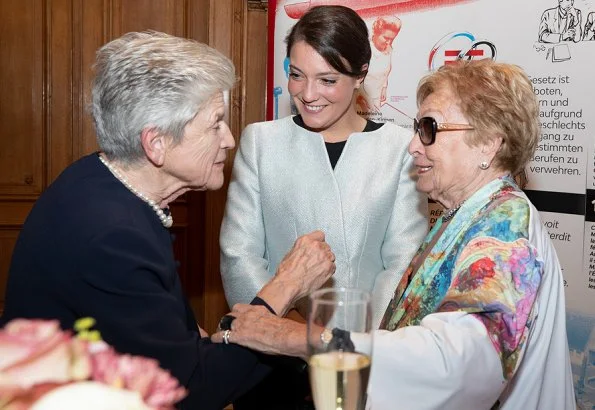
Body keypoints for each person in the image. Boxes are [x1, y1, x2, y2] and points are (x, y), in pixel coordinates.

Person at [0, 31, 336, 410]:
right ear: (156, 143)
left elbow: (175, 349)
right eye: (215, 124)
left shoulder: (101, 180)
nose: (228, 139)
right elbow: (189, 392)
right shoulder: (113, 237)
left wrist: (223, 337)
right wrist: (286, 285)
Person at [215, 59, 576, 409]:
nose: (414, 145)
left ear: (488, 144)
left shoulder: (503, 228)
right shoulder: (468, 215)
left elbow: (460, 364)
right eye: (419, 129)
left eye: (430, 130)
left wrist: (299, 338)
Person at [219, 5, 427, 408]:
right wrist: (288, 333)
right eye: (297, 75)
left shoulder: (399, 148)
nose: (307, 94)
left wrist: (349, 344)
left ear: (361, 76)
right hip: (271, 363)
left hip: (361, 361)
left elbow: (401, 264)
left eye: (327, 80)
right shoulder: (261, 142)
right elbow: (238, 253)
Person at [357, 15, 402, 115]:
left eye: (392, 39)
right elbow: (355, 82)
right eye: (386, 37)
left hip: (376, 99)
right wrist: (366, 99)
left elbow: (385, 72)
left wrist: (384, 88)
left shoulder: (388, 49)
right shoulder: (365, 51)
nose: (389, 42)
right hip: (362, 101)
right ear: (375, 32)